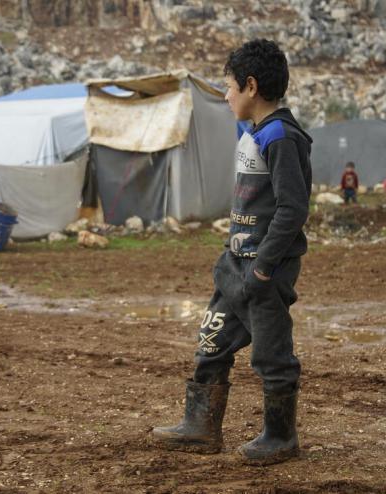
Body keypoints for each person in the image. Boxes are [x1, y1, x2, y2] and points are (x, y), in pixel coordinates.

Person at [151, 39, 312, 465]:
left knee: (272, 356)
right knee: (211, 342)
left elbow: (292, 208)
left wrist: (262, 269)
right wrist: (234, 258)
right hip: (235, 266)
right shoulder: (254, 130)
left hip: (264, 272)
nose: (225, 95)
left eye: (228, 87)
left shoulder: (281, 136)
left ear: (252, 86)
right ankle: (201, 427)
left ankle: (281, 438)